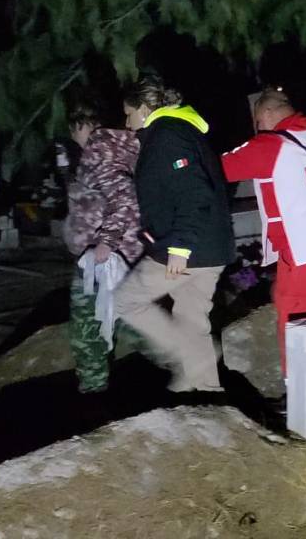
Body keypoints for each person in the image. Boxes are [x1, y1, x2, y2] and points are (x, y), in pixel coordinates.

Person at [114, 76, 234, 393]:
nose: (127, 122)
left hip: (187, 249)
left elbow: (194, 192)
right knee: (192, 319)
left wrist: (180, 247)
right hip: (209, 248)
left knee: (126, 301)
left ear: (143, 108)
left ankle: (190, 358)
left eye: (128, 113)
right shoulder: (181, 131)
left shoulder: (168, 135)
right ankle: (206, 393)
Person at [220, 88, 306, 374]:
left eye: (257, 122)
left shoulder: (270, 145)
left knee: (294, 316)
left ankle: (300, 386)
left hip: (305, 249)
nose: (256, 129)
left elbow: (219, 169)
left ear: (267, 114)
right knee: (292, 296)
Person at [63, 100, 142, 394]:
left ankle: (93, 391)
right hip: (125, 252)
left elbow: (123, 198)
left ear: (82, 125)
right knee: (129, 316)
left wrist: (106, 243)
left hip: (104, 258)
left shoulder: (99, 148)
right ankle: (179, 359)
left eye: (74, 132)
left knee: (87, 323)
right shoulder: (121, 146)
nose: (75, 139)